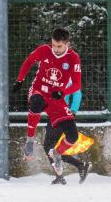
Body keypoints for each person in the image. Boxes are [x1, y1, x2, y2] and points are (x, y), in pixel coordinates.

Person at [12, 27, 86, 179]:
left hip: (56, 97)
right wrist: (20, 80)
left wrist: (63, 92)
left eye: (59, 46)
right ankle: (30, 141)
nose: (56, 49)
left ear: (67, 44)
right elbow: (28, 62)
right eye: (54, 45)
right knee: (36, 101)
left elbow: (77, 85)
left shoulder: (73, 58)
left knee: (73, 136)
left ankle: (57, 153)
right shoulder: (44, 50)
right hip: (40, 90)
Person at [43, 83, 91, 185]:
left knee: (49, 147)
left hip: (59, 113)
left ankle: (77, 167)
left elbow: (77, 93)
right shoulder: (60, 74)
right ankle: (65, 173)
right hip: (57, 113)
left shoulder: (63, 75)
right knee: (55, 148)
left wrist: (73, 111)